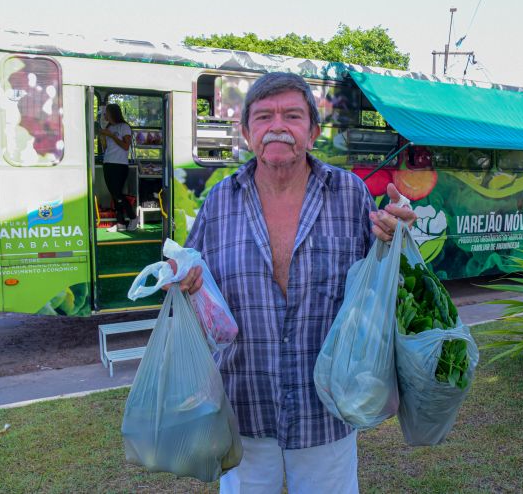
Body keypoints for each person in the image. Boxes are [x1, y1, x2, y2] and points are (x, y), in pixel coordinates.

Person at [172, 72, 415, 493]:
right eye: (264, 116)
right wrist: (183, 285)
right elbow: (197, 292)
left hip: (325, 409)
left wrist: (396, 238)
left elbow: (380, 283)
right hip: (244, 411)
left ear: (313, 130)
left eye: (292, 115)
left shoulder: (350, 194)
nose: (277, 126)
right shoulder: (219, 201)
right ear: (247, 133)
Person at [99, 103, 137, 232]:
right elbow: (106, 148)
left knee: (117, 193)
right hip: (108, 162)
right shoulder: (109, 127)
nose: (104, 116)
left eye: (106, 113)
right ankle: (120, 223)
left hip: (120, 164)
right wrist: (103, 137)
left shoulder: (124, 127)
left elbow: (126, 146)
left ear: (112, 113)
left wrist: (111, 135)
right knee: (114, 195)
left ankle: (133, 218)